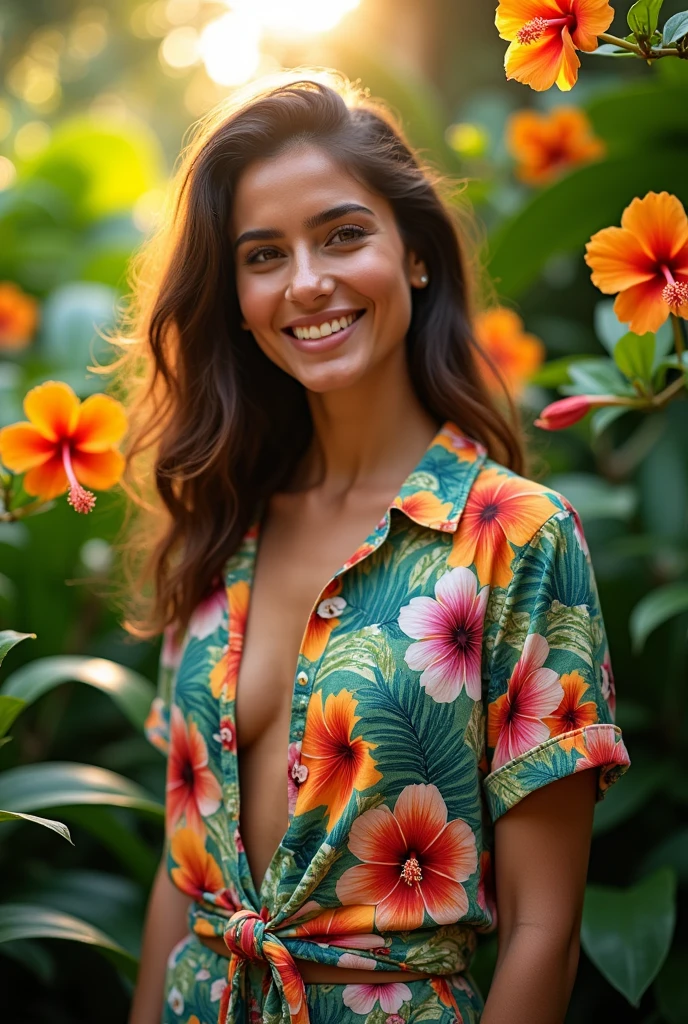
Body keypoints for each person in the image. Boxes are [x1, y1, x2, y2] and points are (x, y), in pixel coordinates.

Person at [120, 70, 631, 1024]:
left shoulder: (515, 538)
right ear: (234, 297)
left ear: (416, 256)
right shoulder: (221, 524)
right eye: (263, 255)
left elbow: (541, 930)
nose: (307, 281)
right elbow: (179, 875)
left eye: (343, 234)